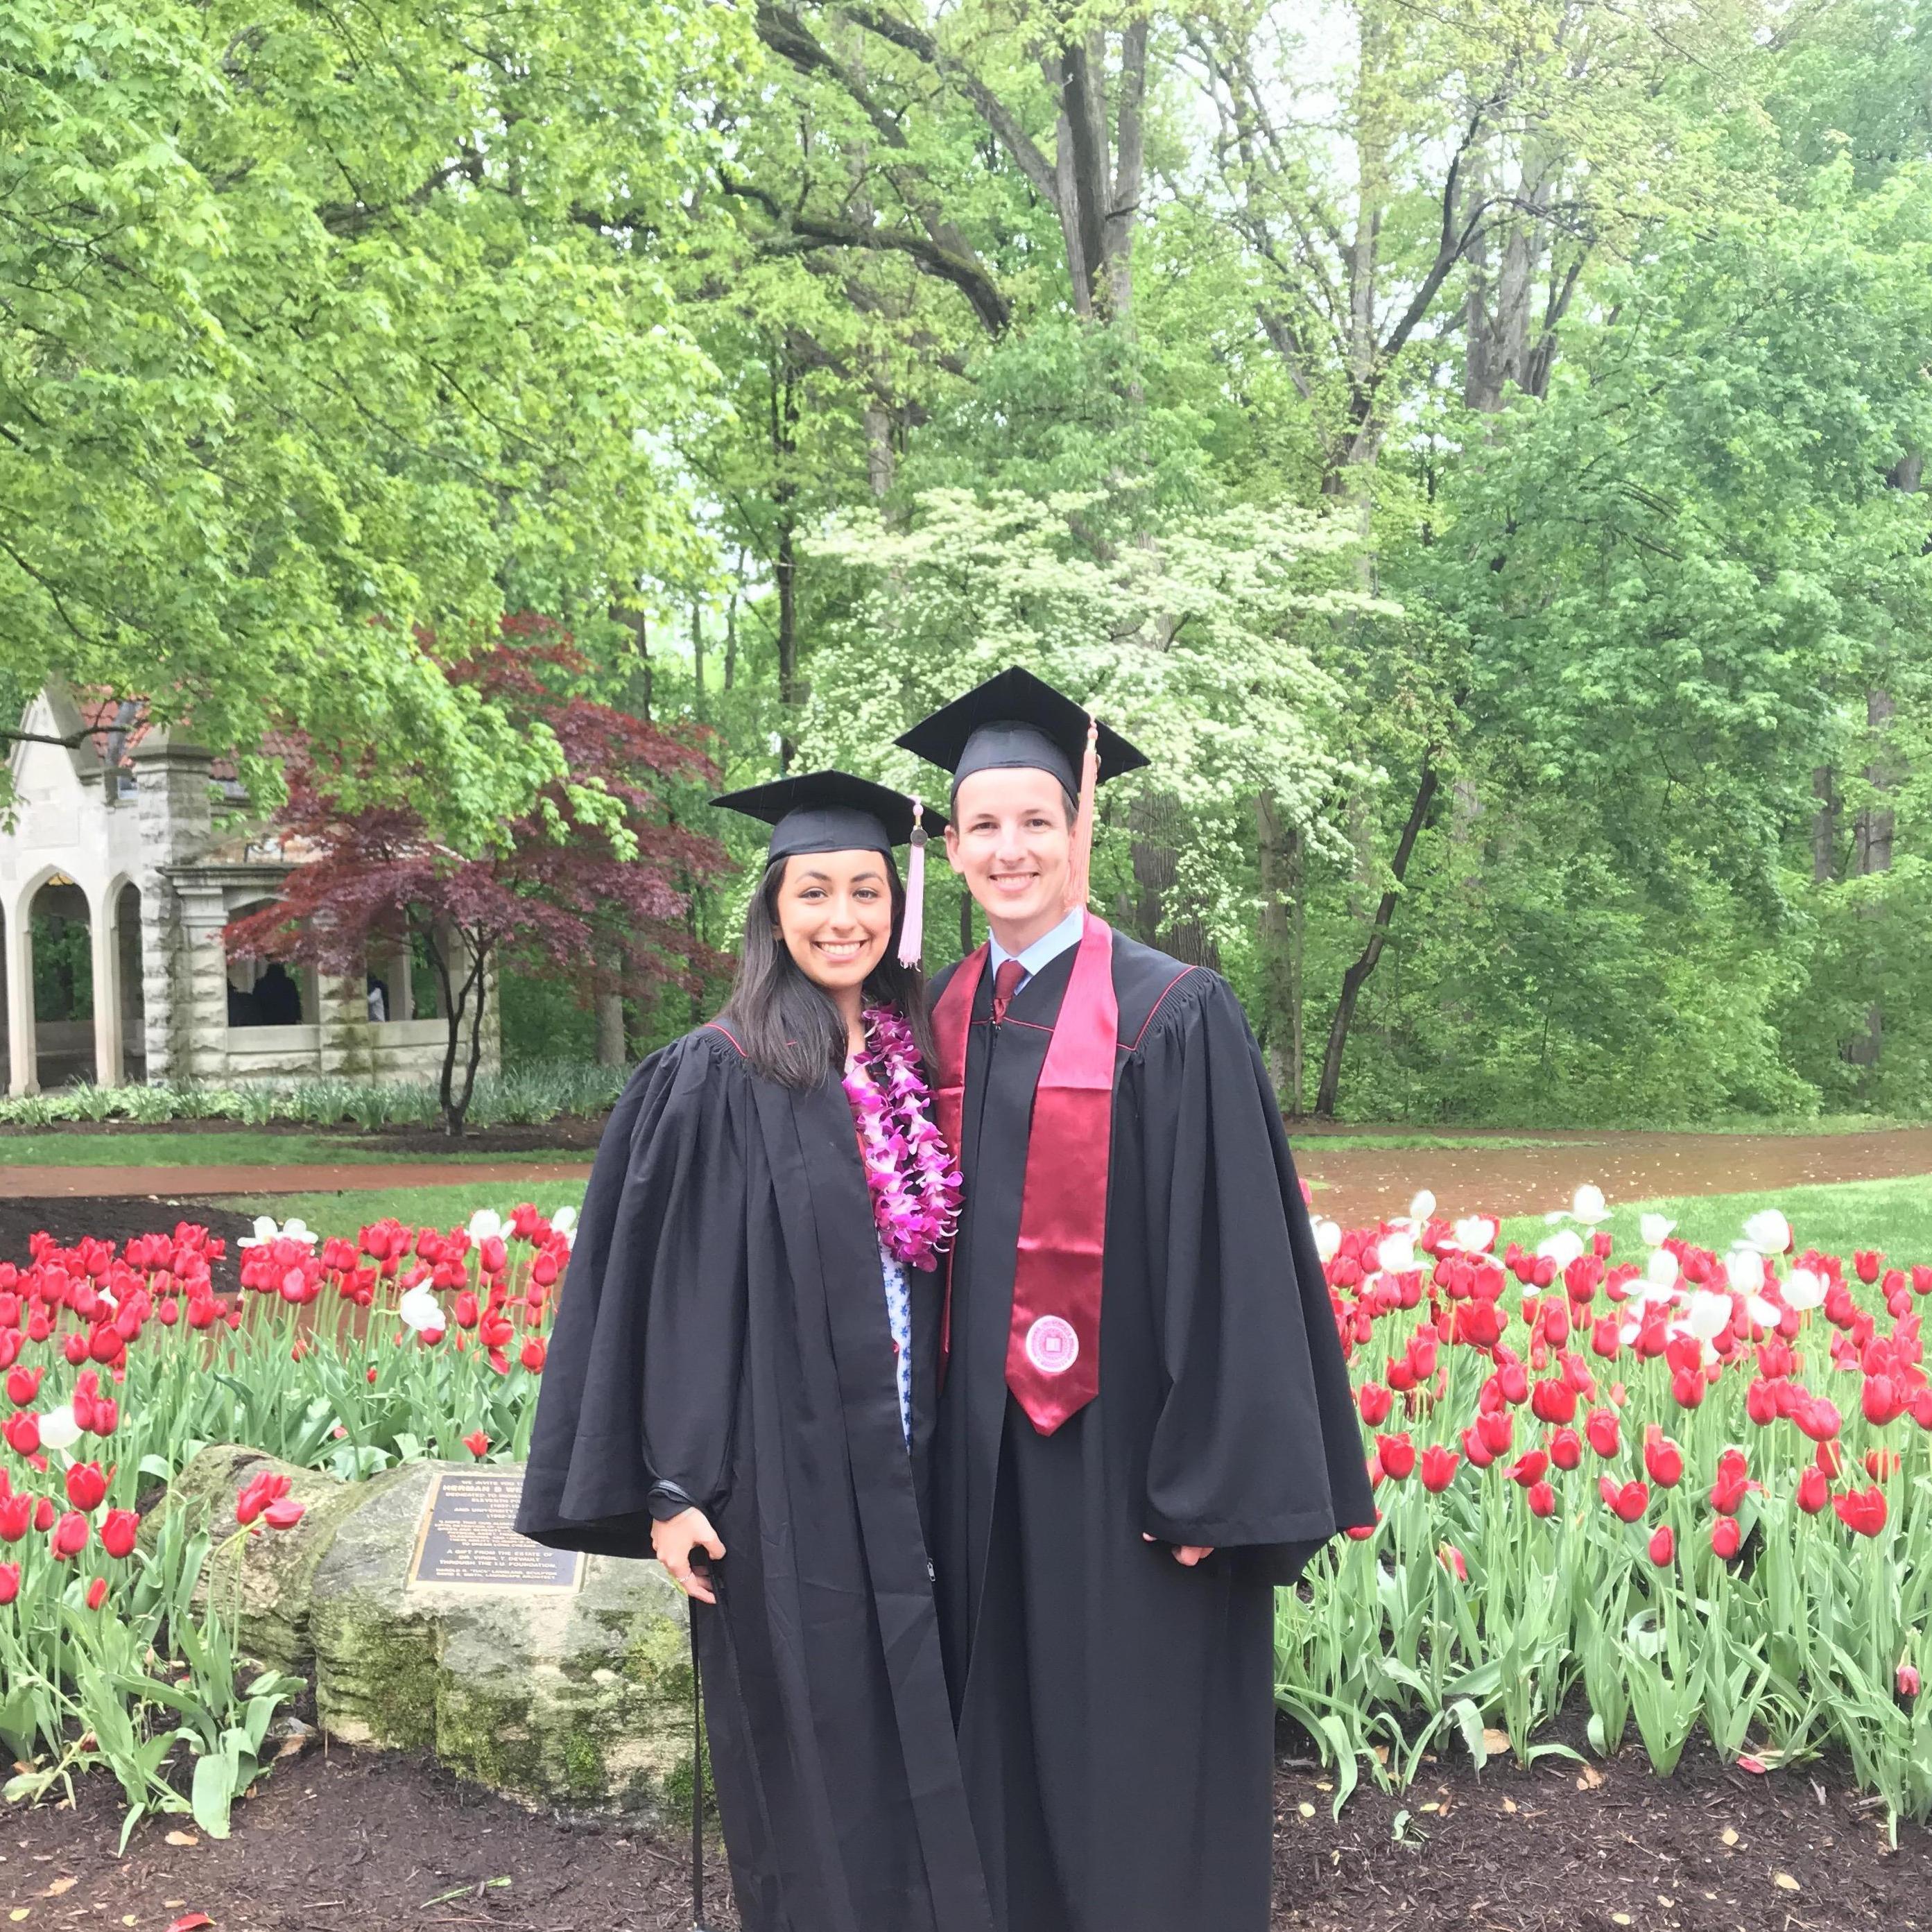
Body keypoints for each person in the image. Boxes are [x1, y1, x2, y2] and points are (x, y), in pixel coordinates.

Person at [896, 668, 1375, 1932]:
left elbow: (1242, 1265)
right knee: (993, 1739)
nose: (1009, 848)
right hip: (975, 1475)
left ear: (1079, 831)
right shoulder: (939, 1018)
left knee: (1132, 1756)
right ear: (950, 848)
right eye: (982, 825)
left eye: (1034, 820)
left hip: (1125, 1475)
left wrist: (1214, 1480)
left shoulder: (1170, 1014)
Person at [516, 771, 993, 1932]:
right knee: (812, 1743)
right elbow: (677, 1295)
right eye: (816, 891)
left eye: (867, 891)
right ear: (773, 910)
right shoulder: (718, 1072)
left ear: (898, 903)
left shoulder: (901, 1064)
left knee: (915, 1719)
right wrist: (675, 1489)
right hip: (779, 1476)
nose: (844, 917)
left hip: (907, 1459)